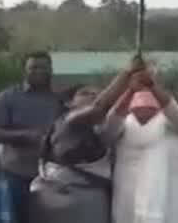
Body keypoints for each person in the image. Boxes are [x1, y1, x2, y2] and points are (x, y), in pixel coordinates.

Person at [30, 60, 143, 223]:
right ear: (69, 103)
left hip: (93, 198)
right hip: (62, 197)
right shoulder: (68, 121)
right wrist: (126, 73)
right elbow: (100, 107)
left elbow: (115, 113)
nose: (92, 95)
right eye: (85, 93)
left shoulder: (99, 130)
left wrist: (131, 90)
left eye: (96, 93)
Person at [108, 63, 178, 223]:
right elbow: (111, 123)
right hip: (129, 201)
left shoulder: (171, 124)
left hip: (170, 202)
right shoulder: (123, 126)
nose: (143, 107)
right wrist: (130, 89)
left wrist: (151, 84)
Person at [0, 51, 64, 223]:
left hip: (55, 174)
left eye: (43, 67)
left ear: (51, 69)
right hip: (18, 173)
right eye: (33, 67)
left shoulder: (59, 98)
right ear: (24, 70)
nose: (38, 71)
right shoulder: (7, 97)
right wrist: (27, 135)